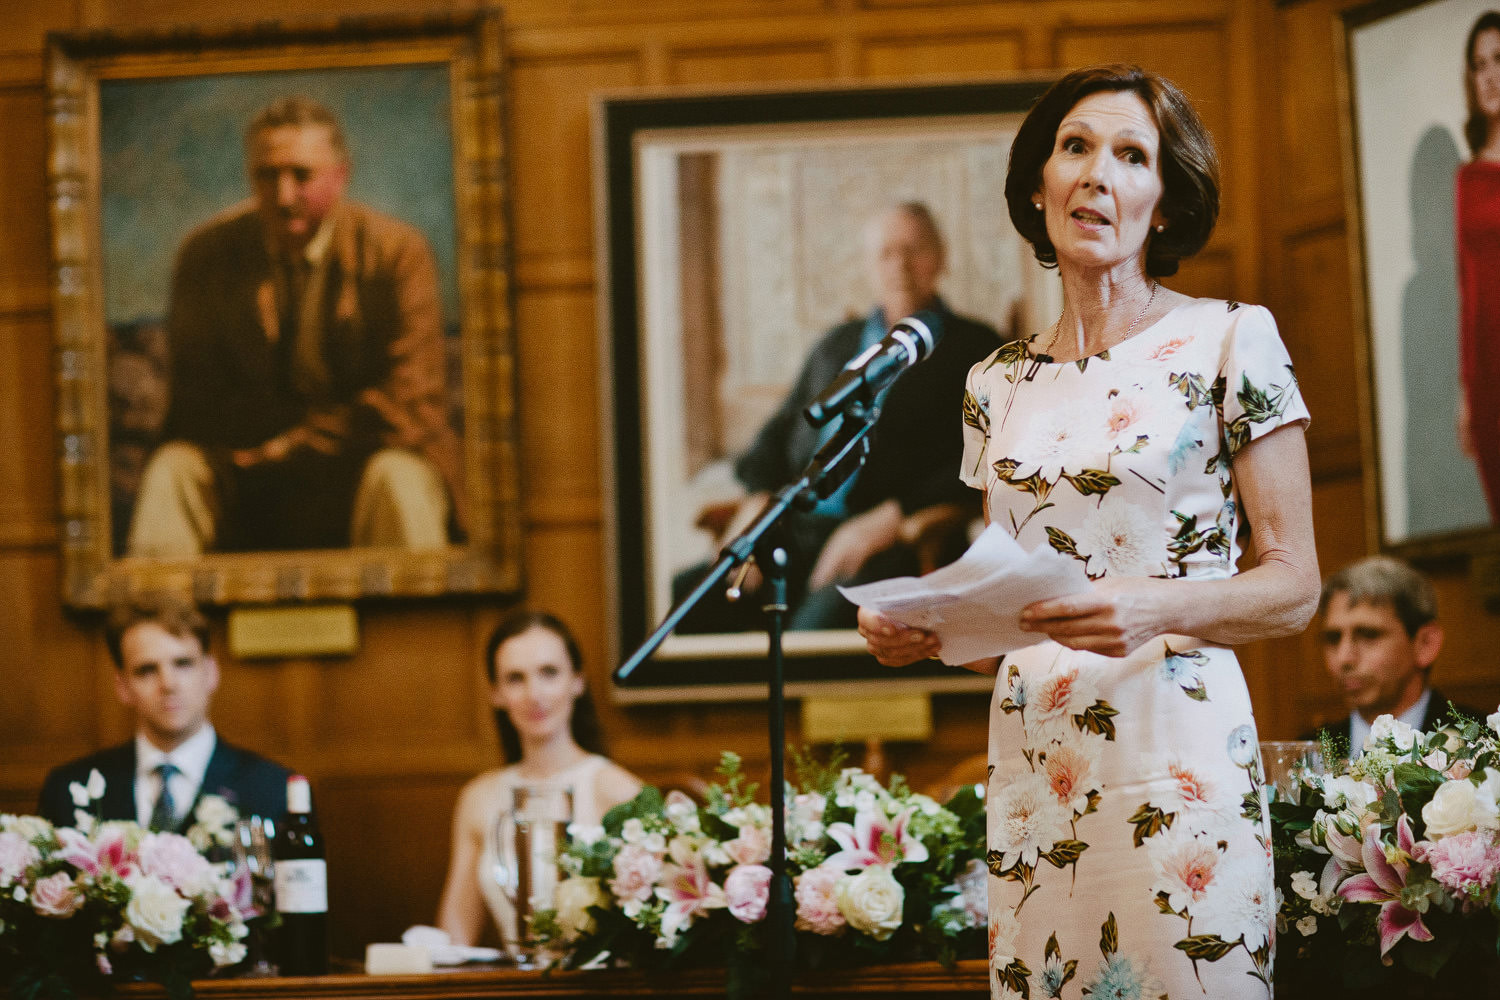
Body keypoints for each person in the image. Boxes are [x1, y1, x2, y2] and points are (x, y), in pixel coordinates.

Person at [857, 66, 1318, 998]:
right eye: (1075, 147)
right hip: (1037, 759)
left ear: (1165, 199)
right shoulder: (993, 382)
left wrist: (1152, 606)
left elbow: (1295, 586)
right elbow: (1008, 582)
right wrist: (930, 628)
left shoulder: (1233, 338)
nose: (1098, 173)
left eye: (1131, 154)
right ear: (1039, 185)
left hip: (1175, 745)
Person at [127, 95, 461, 556]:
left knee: (401, 480)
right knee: (173, 470)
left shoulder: (397, 253)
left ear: (340, 176)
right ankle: (154, 625)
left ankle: (417, 630)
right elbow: (195, 401)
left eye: (302, 176)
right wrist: (260, 451)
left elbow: (411, 403)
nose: (284, 197)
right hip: (247, 470)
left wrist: (294, 444)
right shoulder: (206, 256)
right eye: (267, 176)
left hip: (363, 460)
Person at [678, 202, 1007, 632]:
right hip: (791, 531)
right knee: (687, 603)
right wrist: (755, 512)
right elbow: (772, 442)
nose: (900, 266)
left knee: (811, 637)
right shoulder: (836, 345)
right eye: (885, 254)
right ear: (869, 267)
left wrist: (892, 516)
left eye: (914, 250)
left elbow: (990, 456)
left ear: (941, 257)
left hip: (884, 543)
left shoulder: (974, 347)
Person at [436, 611, 642, 947]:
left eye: (549, 673)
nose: (535, 693)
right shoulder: (479, 797)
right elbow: (454, 939)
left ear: (577, 680)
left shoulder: (618, 789)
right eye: (515, 678)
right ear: (496, 694)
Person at [37, 591, 292, 829]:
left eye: (183, 664)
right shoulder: (69, 790)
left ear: (211, 673)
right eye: (146, 670)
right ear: (123, 686)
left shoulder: (274, 789)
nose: (168, 684)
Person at [1307, 556, 1483, 753]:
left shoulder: (1482, 745)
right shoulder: (1307, 754)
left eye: (1368, 635)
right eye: (1333, 638)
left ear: (1425, 644)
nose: (1344, 658)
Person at [1459, 11, 1500, 522]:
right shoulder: (1468, 178)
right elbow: (1468, 286)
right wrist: (1466, 395)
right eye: (1478, 64)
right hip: (1491, 374)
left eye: (1498, 60)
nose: (1488, 74)